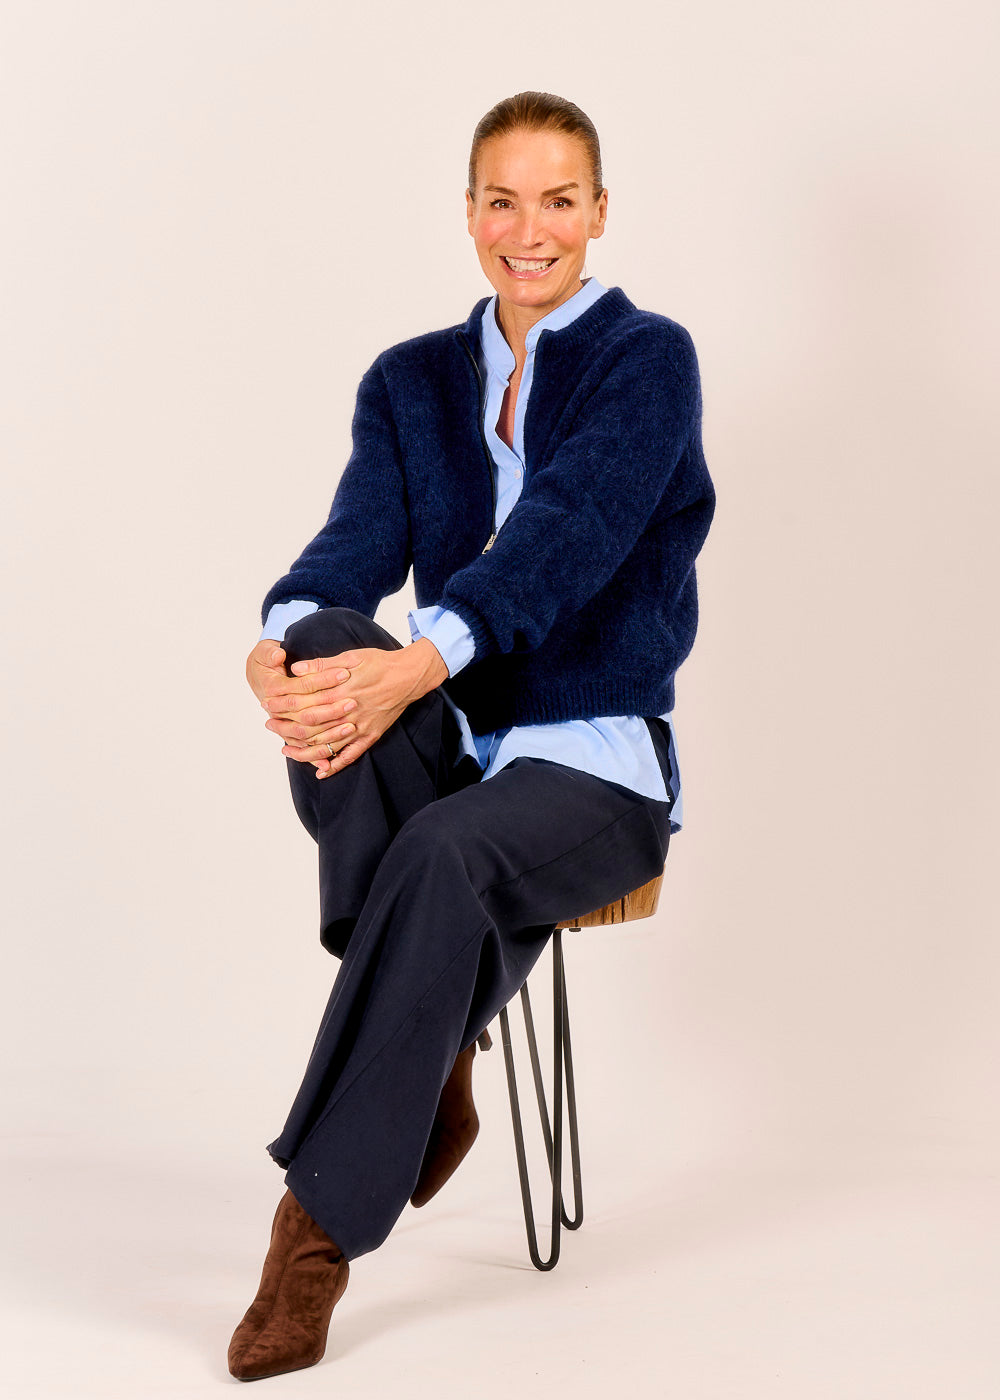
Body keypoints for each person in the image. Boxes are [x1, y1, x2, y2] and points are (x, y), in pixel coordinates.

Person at [228, 90, 715, 1382]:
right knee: (329, 639)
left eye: (558, 201)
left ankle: (313, 1238)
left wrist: (420, 665)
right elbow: (350, 549)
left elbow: (565, 537)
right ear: (468, 213)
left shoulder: (647, 361)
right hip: (456, 744)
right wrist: (276, 650)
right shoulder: (410, 381)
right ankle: (433, 1053)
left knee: (441, 852)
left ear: (599, 213)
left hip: (594, 766)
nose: (528, 229)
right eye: (503, 201)